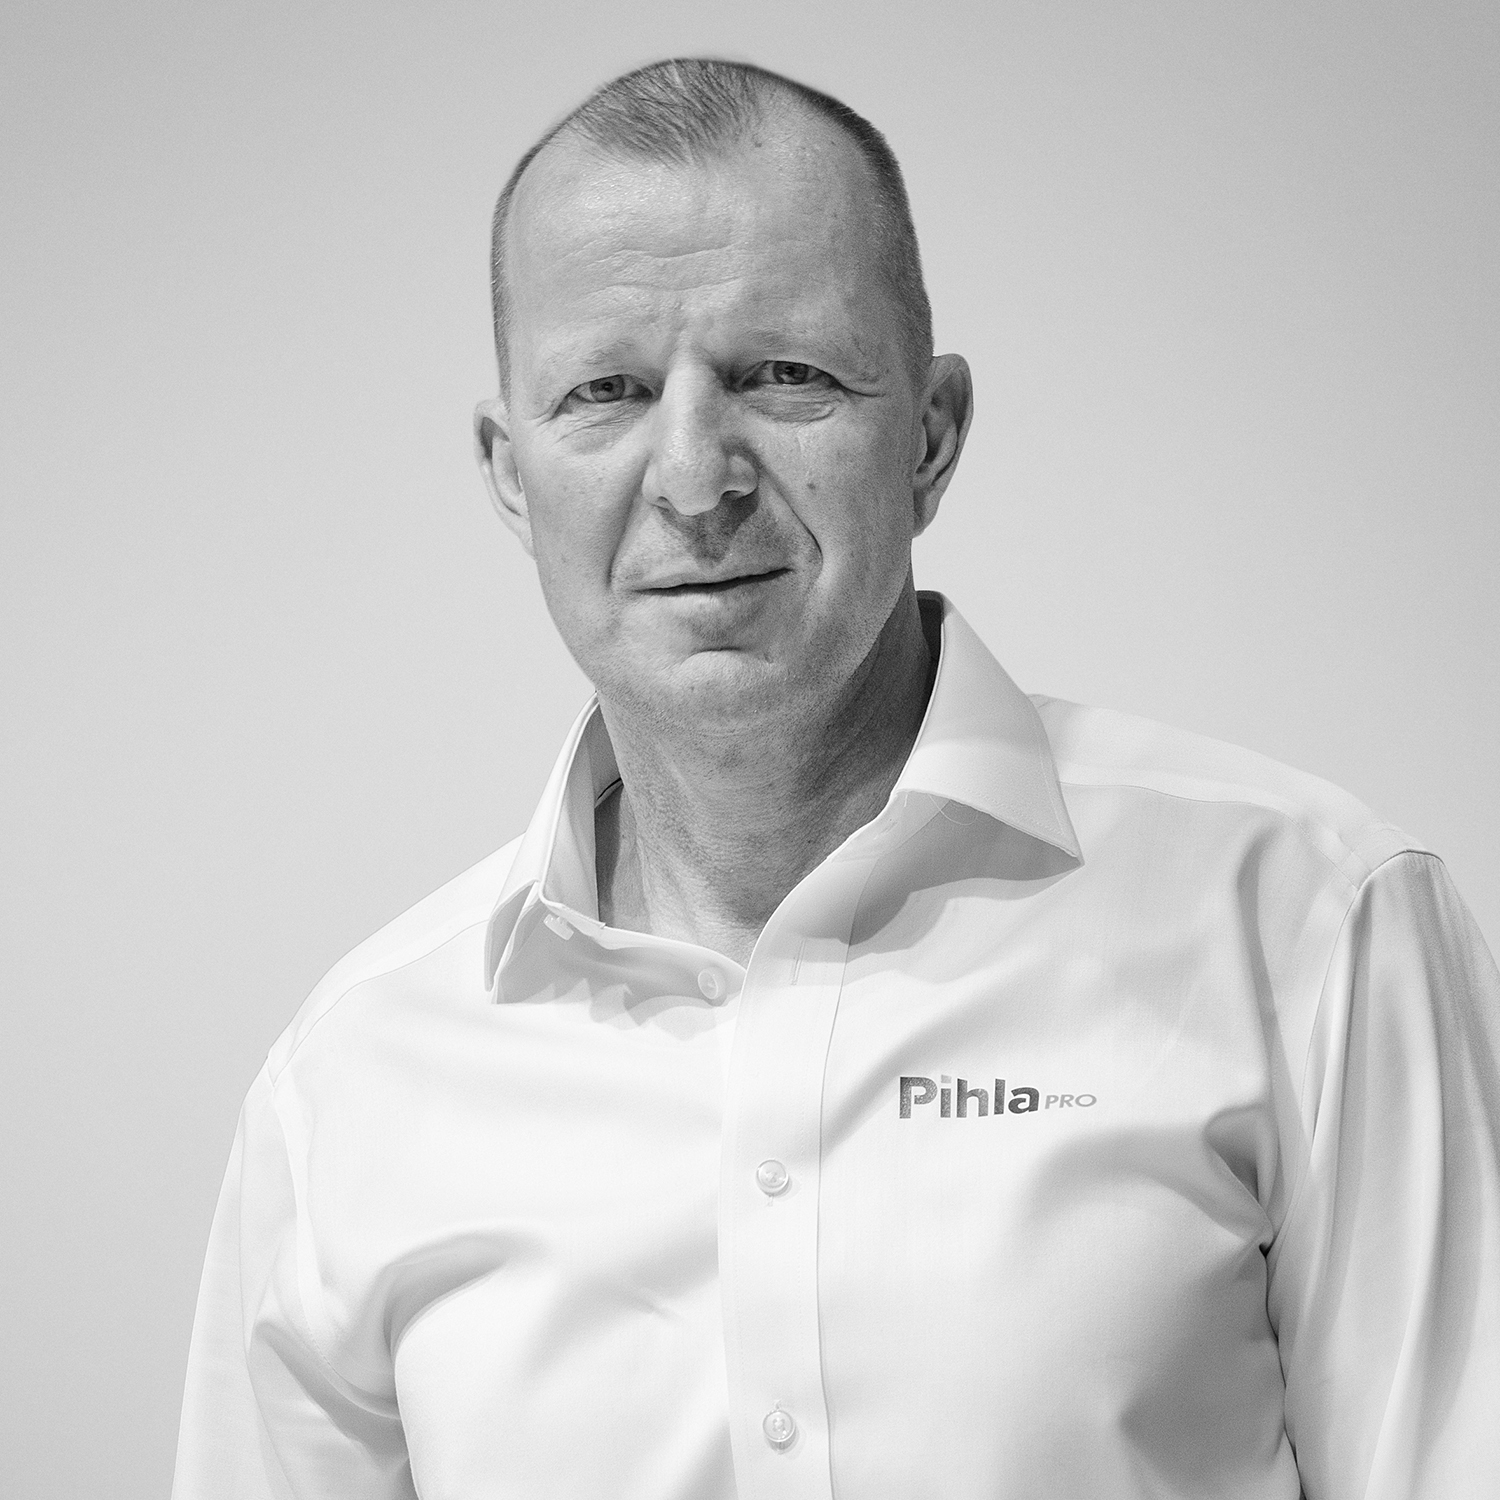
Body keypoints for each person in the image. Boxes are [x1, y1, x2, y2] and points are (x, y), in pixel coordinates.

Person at [172, 58, 1499, 1500]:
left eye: (784, 376)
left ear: (930, 436)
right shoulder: (352, 1084)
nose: (695, 478)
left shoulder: (1306, 927)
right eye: (605, 392)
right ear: (510, 472)